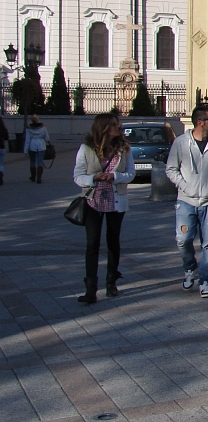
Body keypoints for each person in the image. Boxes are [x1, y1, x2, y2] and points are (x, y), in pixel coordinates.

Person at [166, 105, 208, 298]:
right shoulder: (181, 142)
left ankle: (205, 281)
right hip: (186, 200)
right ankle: (190, 267)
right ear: (200, 122)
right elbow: (171, 169)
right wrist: (184, 186)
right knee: (183, 239)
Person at [73, 113, 135, 304]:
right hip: (93, 200)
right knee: (92, 243)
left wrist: (115, 177)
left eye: (118, 124)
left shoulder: (123, 148)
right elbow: (78, 176)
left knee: (113, 241)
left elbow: (131, 173)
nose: (118, 127)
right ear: (104, 127)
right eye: (114, 125)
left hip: (116, 200)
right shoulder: (86, 148)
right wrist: (94, 178)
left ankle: (111, 281)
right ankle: (91, 288)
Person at [23, 113, 50, 183]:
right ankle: (39, 178)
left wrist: (25, 150)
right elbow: (47, 138)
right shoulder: (43, 127)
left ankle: (33, 176)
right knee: (40, 161)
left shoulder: (29, 129)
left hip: (32, 145)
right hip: (41, 146)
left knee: (32, 161)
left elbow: (27, 140)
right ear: (38, 119)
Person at [0, 117, 8, 185]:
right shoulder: (3, 129)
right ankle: (0, 176)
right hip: (1, 147)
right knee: (1, 164)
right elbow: (6, 138)